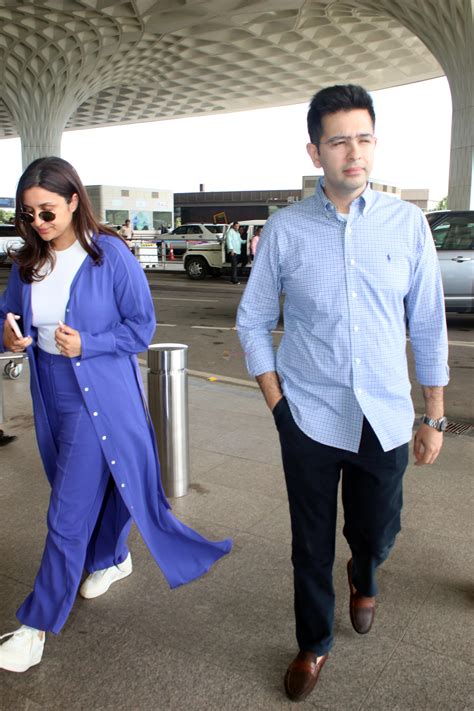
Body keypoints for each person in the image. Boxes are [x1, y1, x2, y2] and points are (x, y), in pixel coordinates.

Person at [237, 84, 449, 703]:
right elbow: (252, 319)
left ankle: (366, 570)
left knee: (379, 527)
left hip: (383, 415)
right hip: (308, 414)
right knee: (309, 542)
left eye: (364, 138)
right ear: (315, 151)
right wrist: (279, 405)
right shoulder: (285, 230)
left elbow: (428, 322)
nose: (353, 152)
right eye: (339, 141)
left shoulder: (407, 224)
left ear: (374, 144)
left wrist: (433, 416)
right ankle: (314, 642)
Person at [0, 157, 232, 673]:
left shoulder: (110, 256)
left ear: (75, 201)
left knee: (65, 512)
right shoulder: (28, 264)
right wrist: (10, 334)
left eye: (48, 211)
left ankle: (36, 626)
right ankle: (111, 556)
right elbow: (7, 317)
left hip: (99, 394)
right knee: (96, 490)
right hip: (49, 395)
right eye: (28, 215)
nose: (38, 223)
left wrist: (88, 342)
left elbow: (140, 328)